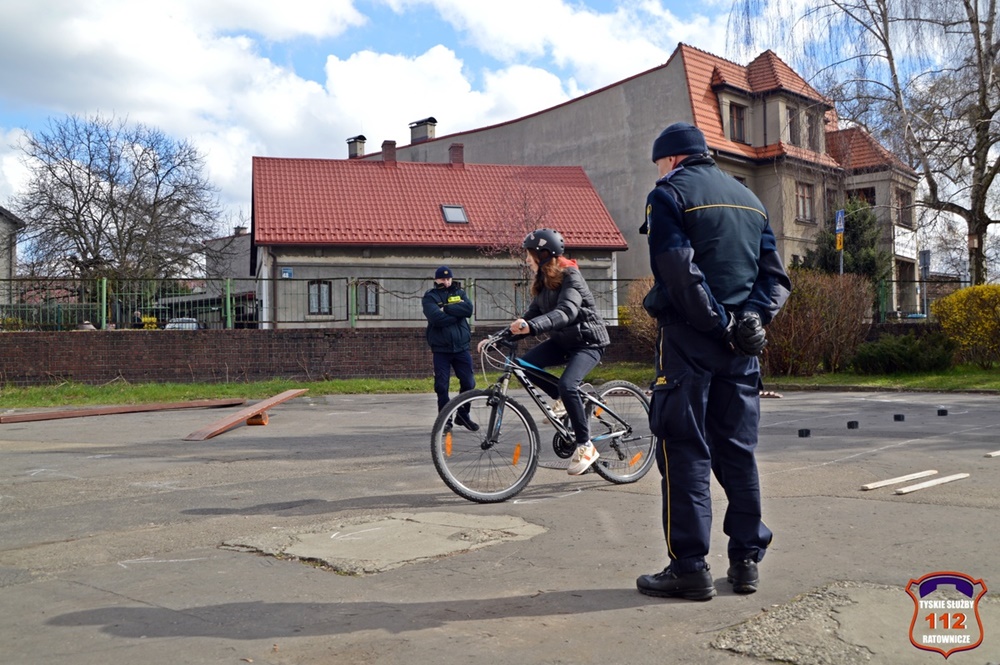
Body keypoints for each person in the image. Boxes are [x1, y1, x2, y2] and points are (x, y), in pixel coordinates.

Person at [636, 122, 792, 601]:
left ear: (670, 159)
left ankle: (689, 567)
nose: (659, 171)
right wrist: (751, 321)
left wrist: (718, 323)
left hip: (690, 340)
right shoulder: (751, 200)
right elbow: (775, 278)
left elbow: (679, 272)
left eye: (659, 163)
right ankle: (745, 561)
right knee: (737, 451)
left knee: (684, 450)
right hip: (742, 349)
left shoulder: (668, 195)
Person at [480, 228, 610, 476]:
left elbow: (567, 312)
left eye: (530, 255)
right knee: (523, 366)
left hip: (588, 342)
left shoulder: (571, 276)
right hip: (563, 341)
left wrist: (531, 326)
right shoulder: (543, 285)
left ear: (544, 255)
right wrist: (497, 337)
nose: (527, 260)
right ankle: (567, 398)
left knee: (568, 384)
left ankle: (586, 445)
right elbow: (529, 318)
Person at [422, 266, 478, 431]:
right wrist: (457, 314)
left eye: (448, 279)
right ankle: (445, 420)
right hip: (441, 349)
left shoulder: (459, 293)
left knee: (469, 383)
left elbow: (468, 309)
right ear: (436, 280)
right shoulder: (430, 297)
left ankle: (463, 415)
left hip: (461, 348)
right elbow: (436, 318)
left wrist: (446, 309)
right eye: (442, 279)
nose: (446, 282)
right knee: (441, 386)